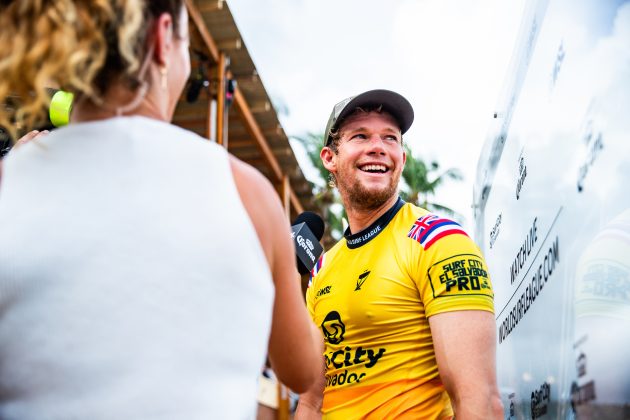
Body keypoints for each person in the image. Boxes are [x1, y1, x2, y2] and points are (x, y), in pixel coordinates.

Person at [0, 1, 321, 418]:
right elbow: (301, 371)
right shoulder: (248, 194)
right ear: (162, 39)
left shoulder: (11, 184)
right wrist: (303, 276)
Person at [296, 89, 503, 419]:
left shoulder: (439, 241)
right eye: (361, 136)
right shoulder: (322, 268)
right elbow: (310, 402)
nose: (377, 147)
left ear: (402, 159)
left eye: (390, 138)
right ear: (329, 158)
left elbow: (478, 399)